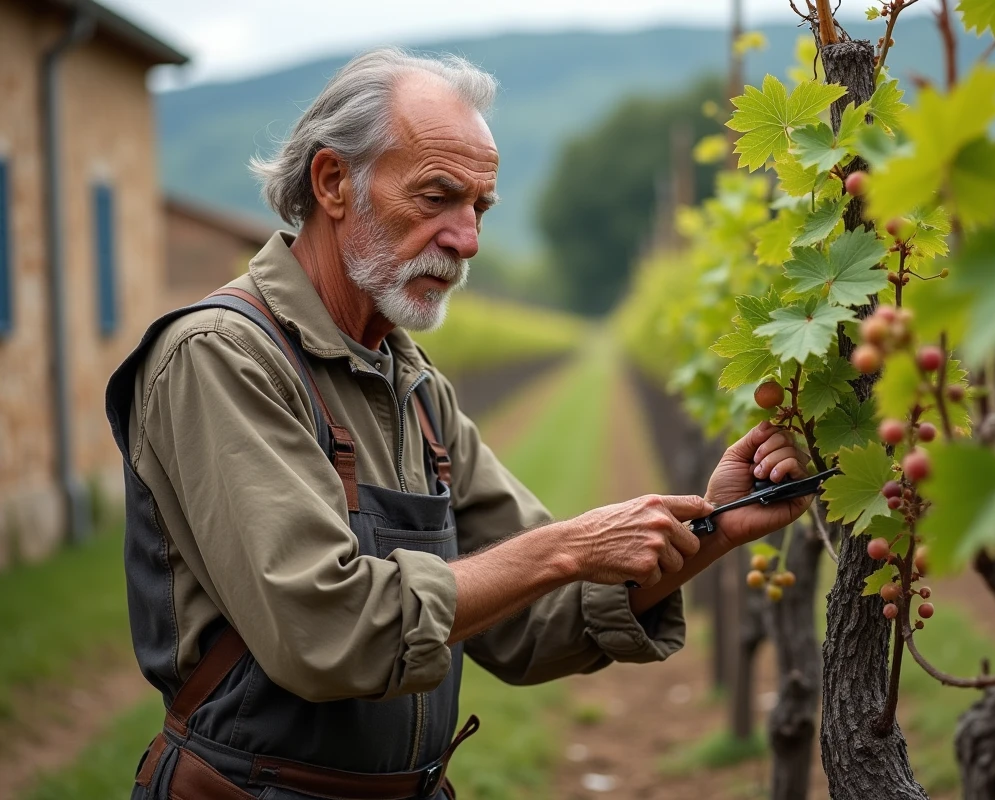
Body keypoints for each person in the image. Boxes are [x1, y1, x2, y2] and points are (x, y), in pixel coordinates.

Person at [105, 48, 812, 800]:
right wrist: (570, 545)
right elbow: (326, 630)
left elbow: (533, 623)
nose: (466, 238)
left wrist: (716, 527)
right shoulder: (220, 357)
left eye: (479, 208)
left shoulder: (413, 387)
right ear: (333, 182)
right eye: (438, 197)